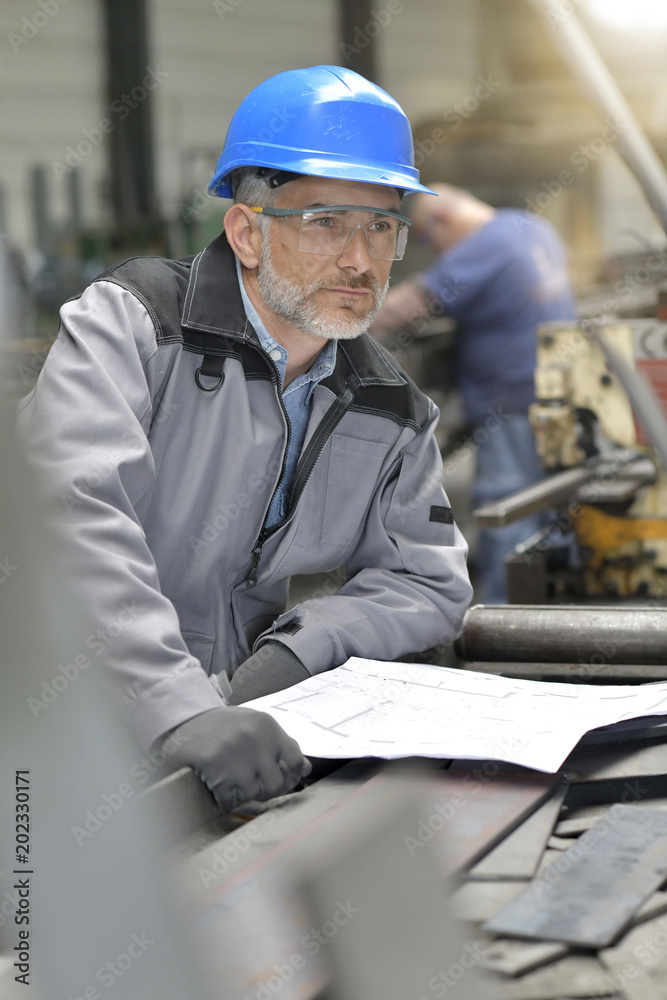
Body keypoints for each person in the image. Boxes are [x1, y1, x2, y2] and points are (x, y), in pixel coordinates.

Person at [18, 67, 472, 811]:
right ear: (246, 232)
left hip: (239, 750)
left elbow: (428, 584)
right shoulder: (132, 328)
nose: (361, 260)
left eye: (381, 227)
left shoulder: (392, 409)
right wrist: (176, 705)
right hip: (65, 743)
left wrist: (298, 649)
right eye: (326, 221)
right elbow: (66, 520)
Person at [370, 185, 576, 603]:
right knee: (551, 509)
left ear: (442, 221)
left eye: (431, 241)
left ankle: (505, 634)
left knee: (508, 513)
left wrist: (339, 326)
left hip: (515, 406)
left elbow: (409, 305)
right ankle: (557, 611)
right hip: (559, 396)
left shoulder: (485, 244)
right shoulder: (526, 224)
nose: (439, 253)